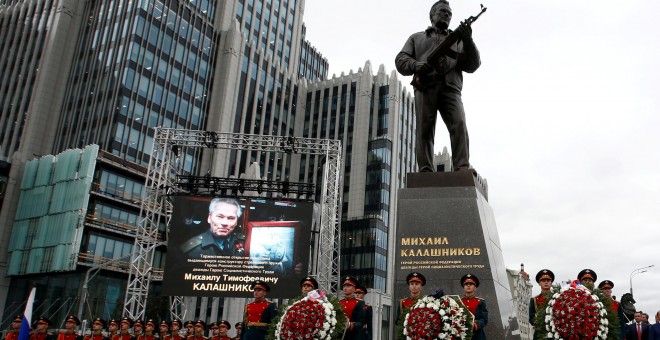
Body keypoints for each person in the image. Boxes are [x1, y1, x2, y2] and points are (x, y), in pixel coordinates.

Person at [395, 0, 481, 173]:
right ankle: (425, 169)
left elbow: (473, 64)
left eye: (449, 13)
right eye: (442, 11)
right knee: (424, 129)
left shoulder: (459, 40)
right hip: (426, 86)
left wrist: (468, 40)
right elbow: (400, 59)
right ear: (431, 15)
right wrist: (416, 65)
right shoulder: (416, 37)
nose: (446, 15)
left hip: (451, 88)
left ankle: (462, 165)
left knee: (459, 124)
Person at [181, 198, 246, 257]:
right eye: (220, 217)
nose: (225, 223)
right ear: (209, 218)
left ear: (236, 222)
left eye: (231, 218)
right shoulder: (192, 250)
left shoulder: (246, 243)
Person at [460, 274, 488, 340]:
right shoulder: (459, 301)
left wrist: (476, 325)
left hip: (477, 335)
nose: (468, 285)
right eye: (466, 284)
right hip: (461, 334)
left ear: (475, 288)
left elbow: (484, 319)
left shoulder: (481, 301)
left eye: (471, 284)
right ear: (463, 287)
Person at [339, 276, 367, 340]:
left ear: (354, 289)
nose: (345, 288)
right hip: (340, 335)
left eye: (348, 286)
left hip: (353, 335)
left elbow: (361, 322)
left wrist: (350, 325)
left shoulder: (359, 303)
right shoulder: (339, 302)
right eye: (344, 286)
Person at [529, 269, 554, 339]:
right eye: (543, 281)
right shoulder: (534, 300)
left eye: (548, 281)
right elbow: (531, 318)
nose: (546, 283)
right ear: (539, 283)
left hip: (554, 332)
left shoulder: (556, 298)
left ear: (551, 283)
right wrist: (541, 322)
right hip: (540, 333)